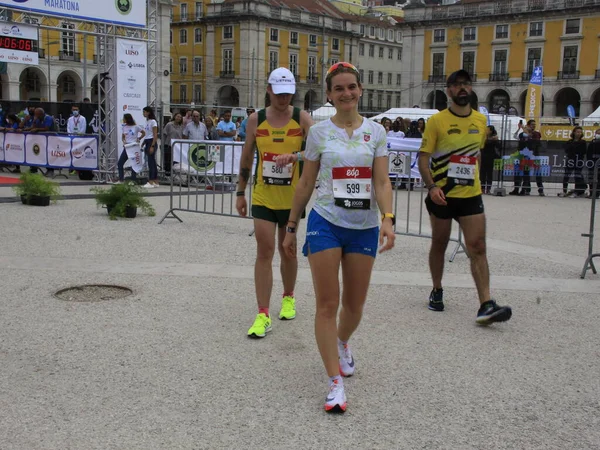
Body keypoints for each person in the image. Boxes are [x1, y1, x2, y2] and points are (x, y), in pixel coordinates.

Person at [281, 62, 395, 413]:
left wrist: (388, 218)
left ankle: (342, 342)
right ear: (329, 95)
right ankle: (334, 382)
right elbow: (304, 183)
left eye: (351, 87)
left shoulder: (376, 132)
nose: (346, 93)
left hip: (364, 226)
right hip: (326, 221)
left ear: (360, 90)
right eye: (339, 89)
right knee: (327, 304)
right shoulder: (317, 134)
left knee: (355, 305)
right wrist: (291, 224)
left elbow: (382, 181)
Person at [418, 69, 512, 325]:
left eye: (466, 84)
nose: (462, 89)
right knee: (440, 243)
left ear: (471, 88)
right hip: (443, 195)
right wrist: (431, 187)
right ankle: (437, 289)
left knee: (478, 246)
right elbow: (423, 157)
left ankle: (486, 303)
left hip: (469, 194)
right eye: (457, 85)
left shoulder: (481, 121)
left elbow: (476, 154)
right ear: (448, 90)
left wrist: (477, 180)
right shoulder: (437, 121)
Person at [235, 67, 313, 339]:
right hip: (263, 196)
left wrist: (296, 157)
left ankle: (289, 296)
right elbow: (247, 156)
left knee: (287, 250)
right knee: (264, 251)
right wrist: (240, 191)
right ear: (268, 90)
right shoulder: (256, 119)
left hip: (293, 198)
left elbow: (319, 150)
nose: (283, 99)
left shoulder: (302, 118)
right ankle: (263, 313)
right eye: (279, 94)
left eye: (288, 94)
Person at [559, 126, 587, 197]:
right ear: (574, 132)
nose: (579, 133)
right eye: (577, 132)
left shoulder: (583, 142)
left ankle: (578, 191)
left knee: (577, 175)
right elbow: (566, 150)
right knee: (566, 175)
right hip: (570, 160)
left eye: (580, 132)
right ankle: (564, 190)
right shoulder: (569, 141)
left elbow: (583, 151)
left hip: (578, 160)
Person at [117, 113, 145, 183]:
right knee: (120, 163)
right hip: (127, 147)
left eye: (124, 118)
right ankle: (121, 179)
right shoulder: (124, 127)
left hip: (134, 146)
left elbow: (143, 133)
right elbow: (123, 136)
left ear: (127, 119)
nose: (123, 120)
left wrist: (139, 138)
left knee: (134, 163)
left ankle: (133, 178)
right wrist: (123, 141)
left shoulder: (136, 126)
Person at [142, 106, 159, 188]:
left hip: (151, 142)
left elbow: (155, 134)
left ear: (148, 112)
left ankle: (151, 181)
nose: (143, 113)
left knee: (151, 162)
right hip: (148, 141)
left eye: (144, 112)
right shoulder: (147, 121)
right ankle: (155, 181)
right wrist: (144, 142)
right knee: (152, 161)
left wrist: (152, 145)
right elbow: (147, 134)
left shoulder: (153, 122)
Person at [480, 125, 500, 194]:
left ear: (491, 131)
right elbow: (482, 144)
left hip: (490, 157)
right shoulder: (483, 137)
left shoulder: (495, 137)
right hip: (483, 156)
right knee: (482, 173)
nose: (486, 130)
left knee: (489, 173)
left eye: (487, 129)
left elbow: (498, 146)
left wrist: (495, 140)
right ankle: (482, 188)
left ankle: (488, 188)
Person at [586, 129, 600, 198]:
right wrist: (589, 161)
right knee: (591, 179)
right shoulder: (592, 142)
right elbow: (588, 152)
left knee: (598, 179)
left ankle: (597, 194)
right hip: (592, 164)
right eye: (597, 133)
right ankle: (591, 193)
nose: (598, 135)